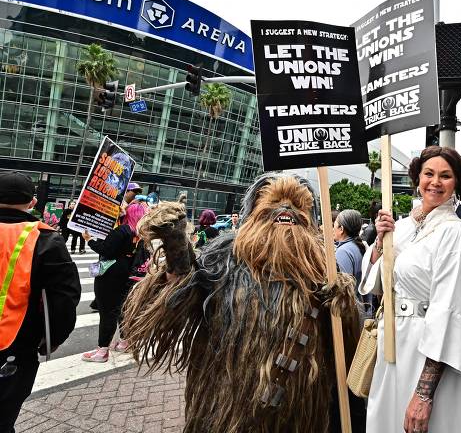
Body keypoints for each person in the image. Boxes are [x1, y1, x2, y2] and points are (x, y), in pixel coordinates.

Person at [121, 174, 360, 432]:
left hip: (296, 411)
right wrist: (177, 257)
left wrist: (342, 301)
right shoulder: (225, 258)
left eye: (298, 204)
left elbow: (346, 345)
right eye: (275, 201)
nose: (286, 208)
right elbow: (177, 302)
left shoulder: (323, 270)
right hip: (226, 406)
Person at [360, 146, 461, 433]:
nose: (435, 182)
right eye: (429, 173)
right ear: (418, 178)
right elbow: (374, 285)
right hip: (395, 347)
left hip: (428, 354)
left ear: (457, 184)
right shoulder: (403, 227)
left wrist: (424, 393)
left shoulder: (454, 234)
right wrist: (380, 240)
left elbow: (453, 312)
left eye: (445, 175)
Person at [0, 171, 80, 433]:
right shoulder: (46, 239)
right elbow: (64, 300)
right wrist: (52, 339)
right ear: (32, 203)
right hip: (15, 346)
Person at [81, 203, 147, 362]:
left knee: (107, 311)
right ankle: (125, 342)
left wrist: (89, 240)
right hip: (127, 273)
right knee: (122, 309)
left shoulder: (122, 230)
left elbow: (106, 250)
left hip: (111, 273)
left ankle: (102, 350)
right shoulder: (139, 234)